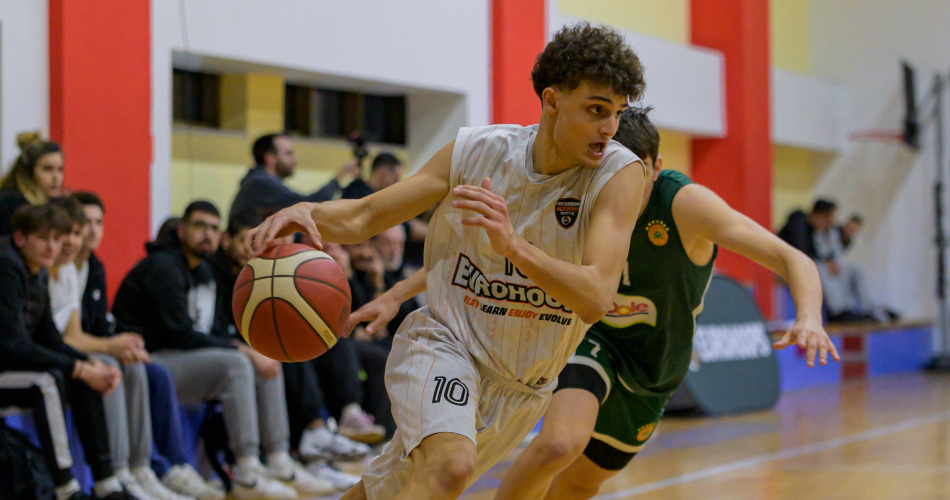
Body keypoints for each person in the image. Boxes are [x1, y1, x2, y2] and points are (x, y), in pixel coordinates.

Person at [246, 22, 648, 500]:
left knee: (390, 489)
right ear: (552, 100)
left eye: (618, 113)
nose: (609, 128)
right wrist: (306, 213)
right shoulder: (478, 152)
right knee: (450, 467)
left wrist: (514, 247)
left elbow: (596, 297)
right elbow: (366, 215)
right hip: (446, 343)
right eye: (597, 109)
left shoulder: (619, 174)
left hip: (524, 386)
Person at [355, 108, 841, 500]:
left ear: (655, 167)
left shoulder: (684, 205)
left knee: (578, 486)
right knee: (557, 444)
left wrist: (809, 317)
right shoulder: (584, 192)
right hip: (590, 337)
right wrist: (397, 293)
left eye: (632, 169)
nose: (617, 178)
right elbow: (489, 256)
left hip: (653, 365)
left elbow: (791, 257)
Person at [113, 201, 334, 498]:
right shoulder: (163, 267)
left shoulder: (204, 273)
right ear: (182, 231)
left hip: (184, 359)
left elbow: (212, 331)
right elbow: (180, 335)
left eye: (214, 228)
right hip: (149, 361)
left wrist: (249, 350)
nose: (208, 234)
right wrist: (241, 350)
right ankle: (246, 468)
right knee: (237, 363)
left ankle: (278, 459)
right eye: (200, 226)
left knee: (265, 359)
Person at [72, 192, 223, 500]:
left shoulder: (95, 267)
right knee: (120, 365)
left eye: (98, 222)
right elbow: (179, 333)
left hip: (122, 352)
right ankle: (118, 472)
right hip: (87, 355)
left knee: (143, 368)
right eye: (84, 223)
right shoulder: (161, 267)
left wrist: (119, 343)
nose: (92, 230)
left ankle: (146, 468)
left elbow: (100, 327)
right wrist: (113, 345)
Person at [207, 214, 369, 490]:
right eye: (247, 240)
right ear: (227, 240)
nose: (252, 248)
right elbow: (211, 331)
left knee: (328, 336)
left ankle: (338, 423)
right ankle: (305, 442)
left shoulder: (257, 271)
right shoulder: (216, 275)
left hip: (244, 348)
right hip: (226, 352)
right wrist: (247, 350)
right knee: (283, 351)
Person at [0, 203, 131, 500]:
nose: (52, 247)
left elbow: (50, 338)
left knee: (84, 379)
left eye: (56, 239)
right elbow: (12, 346)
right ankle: (65, 489)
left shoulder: (38, 271)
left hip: (11, 365)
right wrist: (79, 368)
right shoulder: (6, 268)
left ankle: (106, 483)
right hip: (5, 364)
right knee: (46, 382)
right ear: (20, 238)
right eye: (43, 238)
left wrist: (89, 364)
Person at [228, 133, 360, 223]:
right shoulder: (259, 183)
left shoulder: (255, 182)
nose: (295, 160)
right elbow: (309, 205)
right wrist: (340, 177)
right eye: (289, 153)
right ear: (270, 158)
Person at [0, 131, 65, 235]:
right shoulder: (11, 203)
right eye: (47, 169)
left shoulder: (58, 204)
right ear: (29, 172)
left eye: (60, 169)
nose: (56, 177)